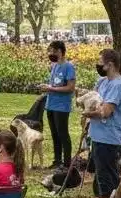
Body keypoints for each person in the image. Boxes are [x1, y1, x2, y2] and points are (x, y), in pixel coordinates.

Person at [84, 49, 121, 198]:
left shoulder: (118, 85)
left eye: (100, 63)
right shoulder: (103, 82)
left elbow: (105, 112)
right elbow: (93, 99)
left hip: (108, 138)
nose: (98, 66)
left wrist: (88, 114)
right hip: (98, 135)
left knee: (107, 176)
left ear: (110, 65)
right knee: (100, 173)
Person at [41, 40, 77, 170]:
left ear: (61, 52)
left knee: (63, 134)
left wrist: (51, 89)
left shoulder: (68, 67)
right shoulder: (55, 66)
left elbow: (70, 88)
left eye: (54, 51)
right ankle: (57, 160)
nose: (52, 54)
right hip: (51, 105)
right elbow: (54, 85)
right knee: (54, 134)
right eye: (50, 51)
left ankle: (67, 163)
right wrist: (47, 88)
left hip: (62, 106)